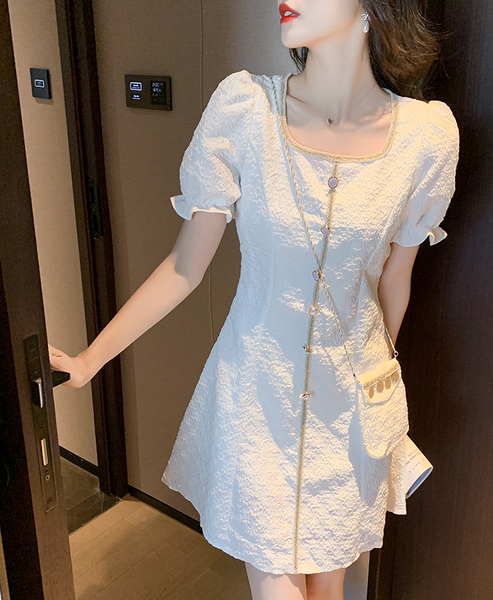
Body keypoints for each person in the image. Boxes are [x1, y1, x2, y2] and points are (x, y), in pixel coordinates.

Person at [49, 1, 459, 598]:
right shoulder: (245, 110)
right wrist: (90, 360)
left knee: (329, 589)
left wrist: (376, 384)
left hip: (351, 413)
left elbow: (396, 280)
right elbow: (185, 266)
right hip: (256, 403)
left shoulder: (426, 138)